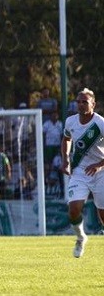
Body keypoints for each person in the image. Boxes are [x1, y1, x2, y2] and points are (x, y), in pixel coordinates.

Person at [60, 88, 104, 258]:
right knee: (73, 209)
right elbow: (66, 139)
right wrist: (65, 159)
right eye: (78, 101)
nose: (80, 104)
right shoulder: (70, 122)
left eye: (84, 102)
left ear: (93, 104)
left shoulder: (100, 124)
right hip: (80, 172)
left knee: (102, 216)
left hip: (101, 172)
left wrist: (99, 165)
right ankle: (80, 237)